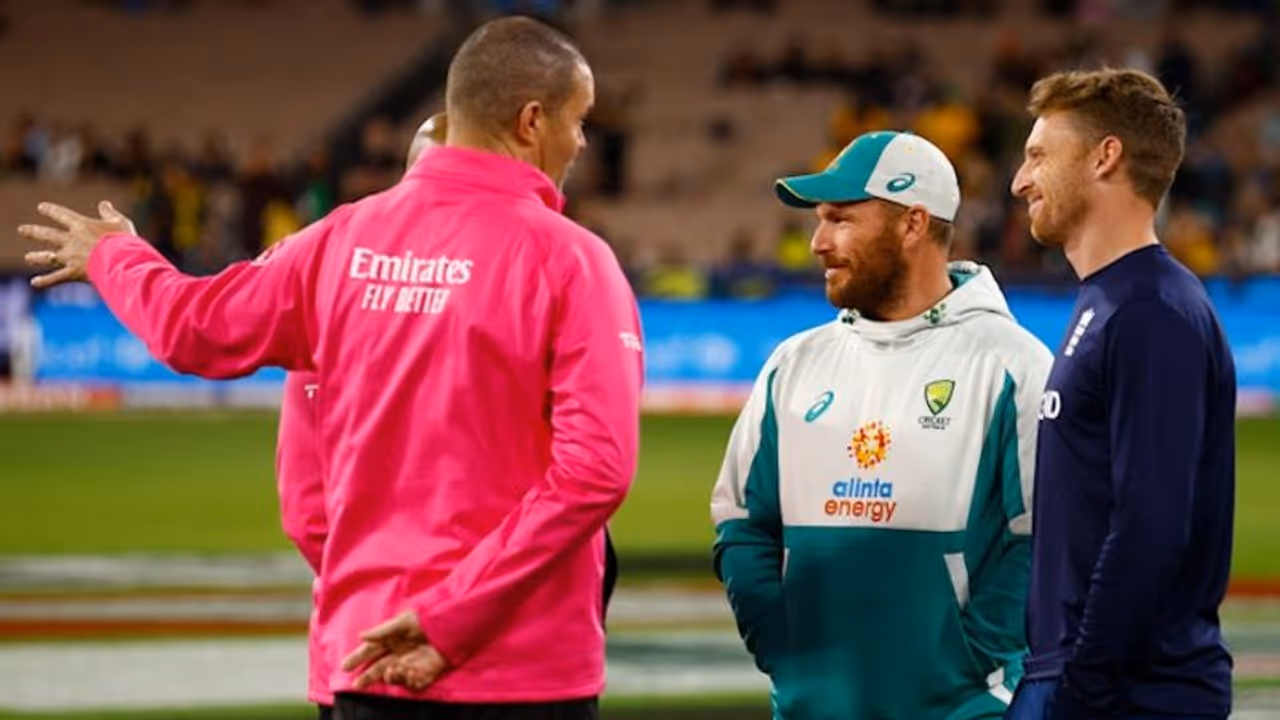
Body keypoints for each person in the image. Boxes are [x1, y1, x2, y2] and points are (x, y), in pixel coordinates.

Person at [21, 16, 641, 720]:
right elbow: (596, 470)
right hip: (519, 670)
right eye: (579, 120)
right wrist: (451, 615)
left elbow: (192, 331)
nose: (583, 141)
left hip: (364, 656)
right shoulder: (570, 260)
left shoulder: (339, 241)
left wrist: (118, 256)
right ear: (533, 121)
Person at [710, 130, 1053, 720]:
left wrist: (970, 656)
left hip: (964, 710)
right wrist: (780, 643)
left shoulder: (1013, 365)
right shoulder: (793, 364)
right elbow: (742, 521)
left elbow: (1045, 538)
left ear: (913, 224)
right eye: (819, 221)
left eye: (841, 220)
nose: (818, 243)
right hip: (810, 708)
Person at [1005, 69, 1236, 720]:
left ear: (1106, 156)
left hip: (1127, 691)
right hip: (1086, 678)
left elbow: (1151, 523)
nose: (1020, 181)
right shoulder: (1112, 302)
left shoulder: (1149, 311)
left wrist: (1081, 683)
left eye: (1038, 156)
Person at [278, 113, 448, 720]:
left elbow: (307, 511)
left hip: (361, 641)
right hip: (478, 655)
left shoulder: (334, 303)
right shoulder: (512, 295)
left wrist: (376, 594)